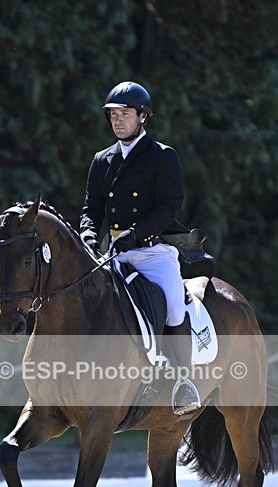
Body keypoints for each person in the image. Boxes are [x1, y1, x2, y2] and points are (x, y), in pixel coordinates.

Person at [80, 81, 201, 416]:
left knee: (174, 307)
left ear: (142, 117)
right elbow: (91, 209)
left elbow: (169, 207)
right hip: (113, 255)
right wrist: (88, 235)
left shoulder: (162, 156)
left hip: (153, 252)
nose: (117, 120)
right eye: (113, 115)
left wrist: (134, 235)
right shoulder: (102, 160)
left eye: (125, 114)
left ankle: (183, 382)